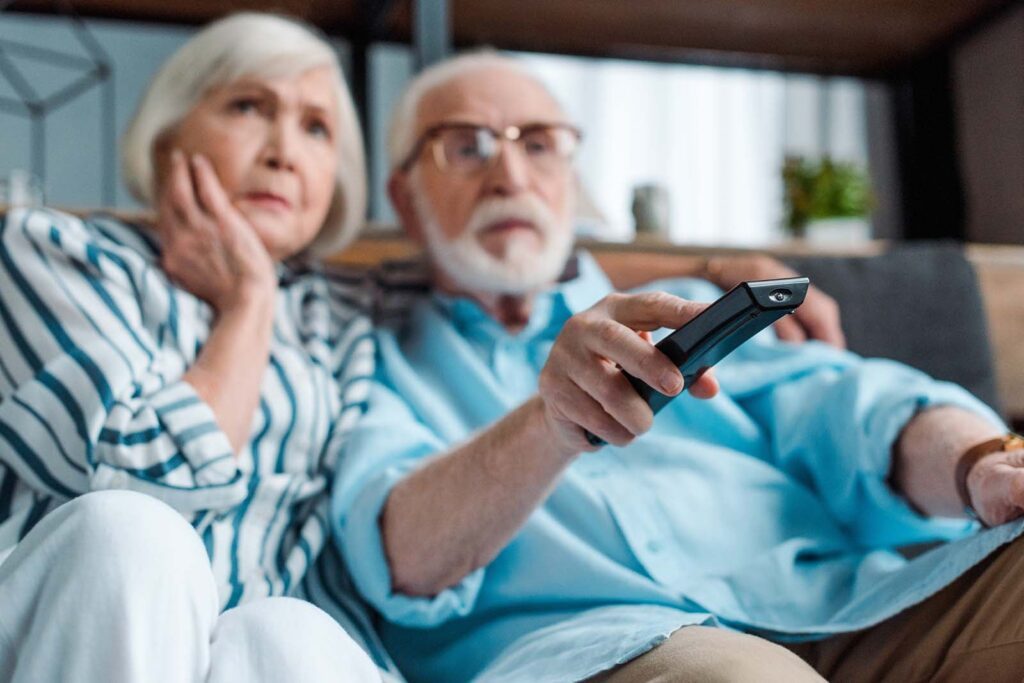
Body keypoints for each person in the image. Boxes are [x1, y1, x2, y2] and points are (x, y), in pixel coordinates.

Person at [330, 52, 1024, 683]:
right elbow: (399, 557)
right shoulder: (373, 360)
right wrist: (552, 423)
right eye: (466, 146)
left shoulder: (683, 306)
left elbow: (857, 406)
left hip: (848, 604)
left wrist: (978, 462)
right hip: (607, 648)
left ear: (570, 180)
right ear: (405, 201)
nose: (510, 174)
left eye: (539, 144)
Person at [0, 13, 386, 682]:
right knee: (135, 536)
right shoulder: (54, 253)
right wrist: (248, 304)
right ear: (166, 138)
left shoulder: (345, 322)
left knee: (290, 629)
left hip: (251, 652)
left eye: (315, 128)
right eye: (248, 106)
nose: (284, 152)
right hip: (79, 619)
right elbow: (148, 476)